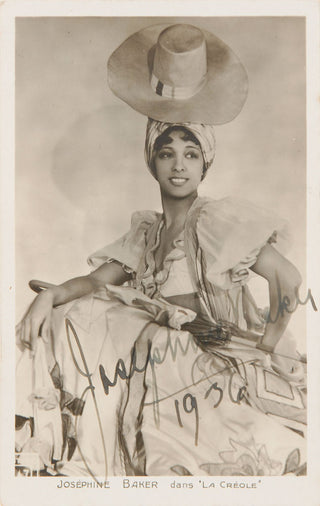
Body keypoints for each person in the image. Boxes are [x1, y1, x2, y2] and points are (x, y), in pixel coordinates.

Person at [15, 23, 306, 478]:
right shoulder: (146, 233)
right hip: (162, 358)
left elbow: (287, 278)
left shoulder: (217, 221)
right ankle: (47, 441)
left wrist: (267, 344)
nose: (178, 165)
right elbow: (95, 282)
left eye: (191, 154)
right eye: (167, 153)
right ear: (151, 159)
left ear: (205, 162)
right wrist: (48, 295)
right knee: (79, 312)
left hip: (210, 357)